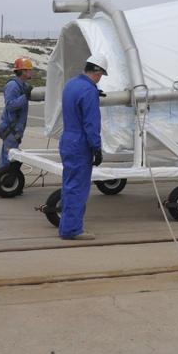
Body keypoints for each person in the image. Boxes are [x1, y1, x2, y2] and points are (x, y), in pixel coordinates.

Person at [58, 54, 107, 241]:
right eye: (100, 75)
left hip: (68, 140)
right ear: (96, 71)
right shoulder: (88, 90)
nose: (100, 78)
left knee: (69, 185)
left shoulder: (71, 84)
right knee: (78, 188)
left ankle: (67, 225)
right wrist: (96, 148)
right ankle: (72, 230)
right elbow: (91, 124)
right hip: (80, 144)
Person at [0, 57, 35, 170]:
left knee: (7, 157)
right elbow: (10, 106)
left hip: (15, 130)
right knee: (8, 158)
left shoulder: (23, 85)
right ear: (22, 71)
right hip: (11, 129)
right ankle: (4, 181)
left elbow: (32, 93)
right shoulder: (13, 86)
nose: (30, 72)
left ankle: (2, 180)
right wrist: (25, 96)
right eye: (29, 70)